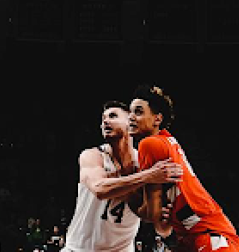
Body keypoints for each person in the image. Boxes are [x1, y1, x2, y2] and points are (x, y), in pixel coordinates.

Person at [129, 85, 239, 252]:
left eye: (138, 112)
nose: (130, 117)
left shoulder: (148, 144)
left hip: (208, 235)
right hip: (207, 233)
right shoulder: (168, 139)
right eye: (129, 112)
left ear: (157, 119)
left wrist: (126, 193)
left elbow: (151, 214)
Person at [62, 101, 184, 252]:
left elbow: (156, 224)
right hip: (80, 248)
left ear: (131, 122)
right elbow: (100, 189)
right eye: (103, 119)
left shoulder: (144, 163)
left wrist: (164, 221)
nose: (105, 121)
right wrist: (148, 176)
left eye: (113, 116)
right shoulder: (93, 156)